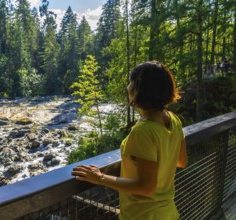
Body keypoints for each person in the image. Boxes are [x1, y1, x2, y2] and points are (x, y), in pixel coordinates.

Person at [72, 61, 188, 220]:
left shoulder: (143, 131)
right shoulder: (174, 120)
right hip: (167, 213)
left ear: (141, 89)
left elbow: (146, 187)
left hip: (142, 215)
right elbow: (181, 161)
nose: (128, 87)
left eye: (131, 82)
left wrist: (100, 178)